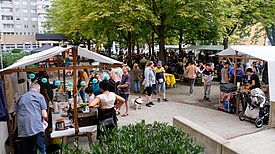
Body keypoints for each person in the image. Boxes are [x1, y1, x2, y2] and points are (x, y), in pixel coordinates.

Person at [16, 83, 48, 154]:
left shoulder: (20, 98)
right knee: (41, 149)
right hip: (35, 127)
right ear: (38, 90)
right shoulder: (39, 96)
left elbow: (17, 112)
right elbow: (44, 114)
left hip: (23, 129)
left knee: (28, 150)